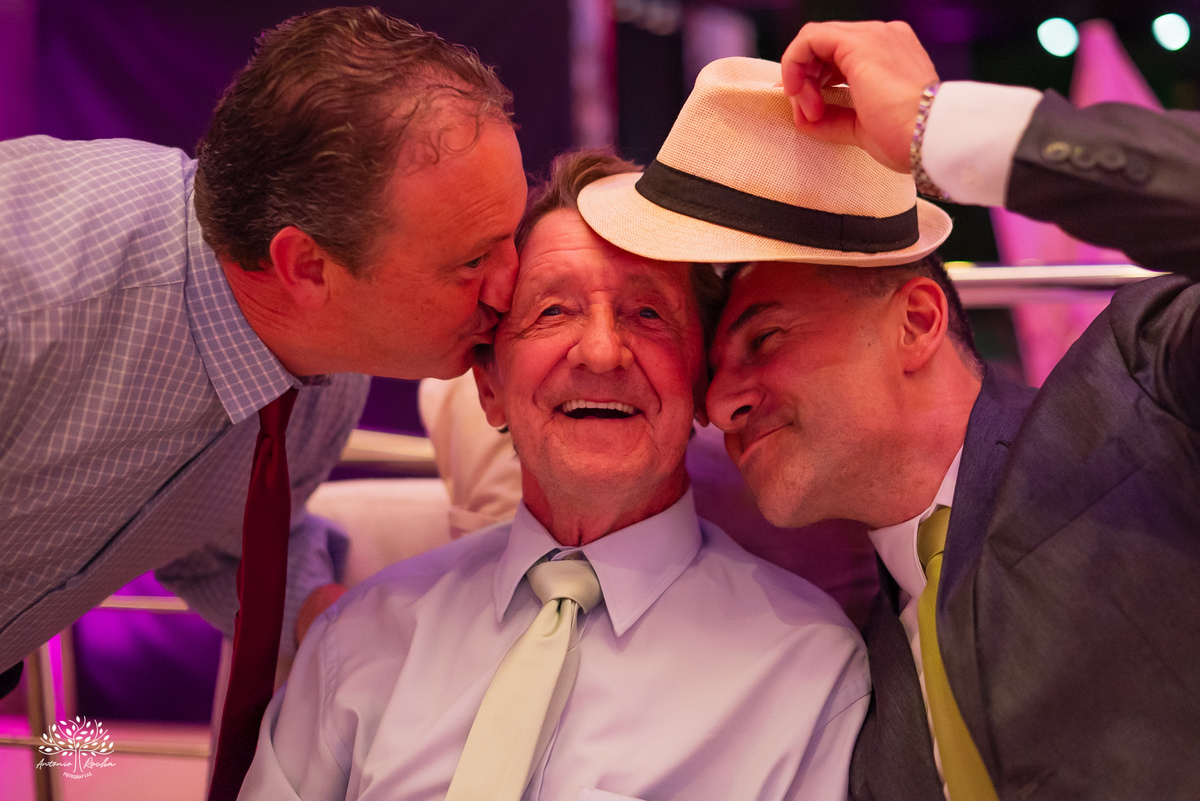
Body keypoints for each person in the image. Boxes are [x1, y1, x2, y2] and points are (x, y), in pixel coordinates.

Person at [577, 29, 1200, 801]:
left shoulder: (1140, 395)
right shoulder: (849, 698)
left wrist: (938, 125)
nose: (719, 403)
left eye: (764, 338)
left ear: (916, 322)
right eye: (712, 371)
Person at [239, 150, 870, 801]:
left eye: (648, 314)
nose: (600, 352)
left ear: (701, 381)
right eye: (552, 311)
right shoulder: (356, 642)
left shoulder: (809, 675)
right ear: (490, 387)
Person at [0, 6, 524, 697]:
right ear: (305, 267)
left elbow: (221, 542)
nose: (512, 286)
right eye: (473, 260)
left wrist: (347, 634)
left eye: (513, 237)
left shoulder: (326, 369)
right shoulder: (27, 295)